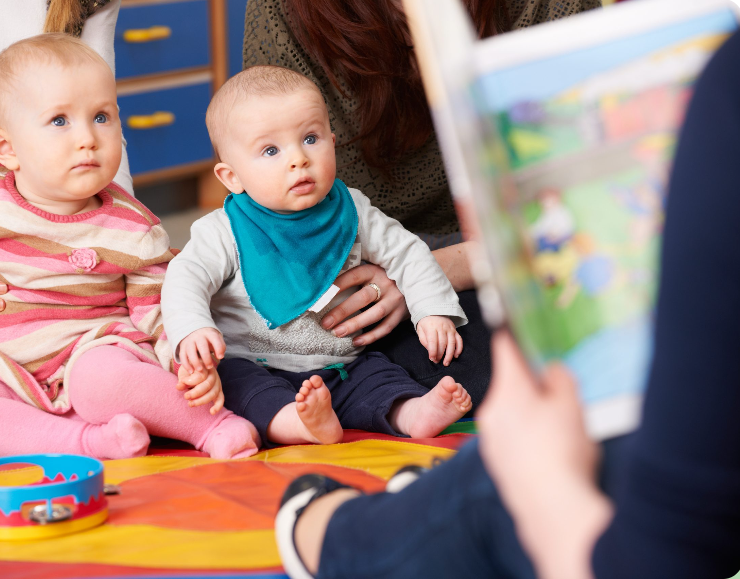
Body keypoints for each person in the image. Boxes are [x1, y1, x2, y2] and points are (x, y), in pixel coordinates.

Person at [272, 30, 740, 579]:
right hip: (441, 285)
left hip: (496, 267)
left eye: (311, 140)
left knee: (527, 455)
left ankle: (361, 538)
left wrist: (542, 481)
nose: (299, 161)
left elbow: (657, 547)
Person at [242, 0, 602, 409]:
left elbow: (600, 186)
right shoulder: (285, 11)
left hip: (524, 245)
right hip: (358, 275)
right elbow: (268, 187)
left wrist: (427, 271)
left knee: (566, 361)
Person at [0, 34, 259, 460]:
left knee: (100, 382)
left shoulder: (132, 226)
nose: (88, 138)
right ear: (6, 149)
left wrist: (185, 364)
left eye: (102, 117)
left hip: (99, 351)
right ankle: (87, 441)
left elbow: (158, 310)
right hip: (10, 373)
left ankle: (213, 427)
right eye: (60, 121)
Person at [162, 65, 473, 448]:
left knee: (379, 378)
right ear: (232, 177)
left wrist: (431, 309)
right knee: (238, 390)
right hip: (252, 362)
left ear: (332, 139)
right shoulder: (223, 229)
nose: (298, 159)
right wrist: (192, 328)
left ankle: (412, 412)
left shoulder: (353, 211)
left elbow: (407, 252)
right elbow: (185, 275)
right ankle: (298, 422)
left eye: (310, 138)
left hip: (340, 365)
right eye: (271, 150)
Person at [0, 0, 134, 440]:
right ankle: (77, 436)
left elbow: (100, 130)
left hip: (45, 243)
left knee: (137, 367)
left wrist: (109, 243)